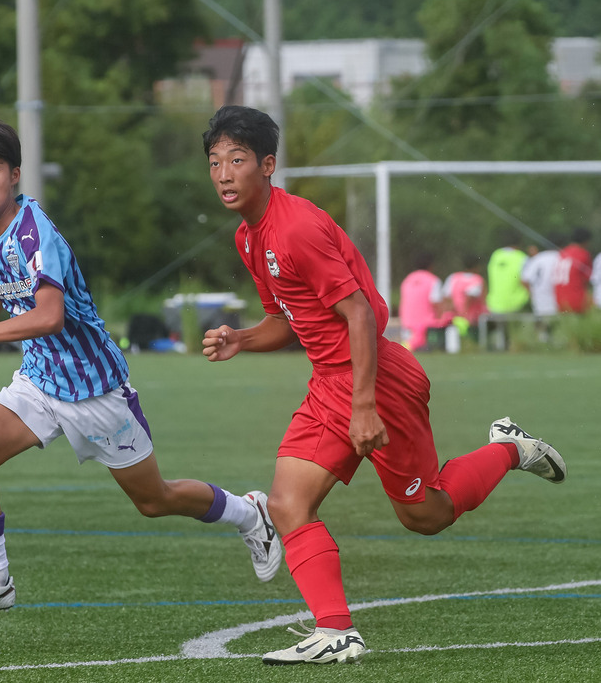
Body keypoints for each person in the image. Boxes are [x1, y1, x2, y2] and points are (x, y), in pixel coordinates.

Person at [200, 105, 566, 666]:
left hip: (379, 381)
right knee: (288, 502)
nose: (225, 173)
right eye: (215, 161)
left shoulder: (296, 227)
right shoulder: (250, 240)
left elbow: (360, 316)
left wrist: (365, 405)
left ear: (267, 165)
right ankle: (335, 631)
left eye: (238, 159)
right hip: (330, 382)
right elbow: (286, 321)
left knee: (427, 515)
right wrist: (242, 340)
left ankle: (510, 449)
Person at [0, 117, 280, 619]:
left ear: (15, 174)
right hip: (40, 381)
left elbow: (49, 316)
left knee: (154, 499)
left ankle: (249, 512)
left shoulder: (32, 232)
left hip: (94, 389)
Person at [398, 250, 452, 351]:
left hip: (406, 324)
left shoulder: (407, 280)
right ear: (431, 265)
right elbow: (437, 303)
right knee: (450, 316)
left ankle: (409, 344)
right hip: (426, 327)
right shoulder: (433, 280)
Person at [442, 252, 487, 332]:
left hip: (454, 319)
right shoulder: (477, 280)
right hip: (471, 321)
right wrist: (464, 315)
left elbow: (446, 298)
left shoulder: (453, 277)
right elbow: (469, 298)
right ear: (477, 266)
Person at [485, 233, 529, 314]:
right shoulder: (522, 257)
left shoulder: (496, 255)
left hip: (494, 305)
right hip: (517, 305)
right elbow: (526, 281)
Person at [553, 227, 593, 314]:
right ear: (586, 241)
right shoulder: (583, 254)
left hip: (560, 300)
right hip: (576, 300)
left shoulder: (562, 253)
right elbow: (588, 279)